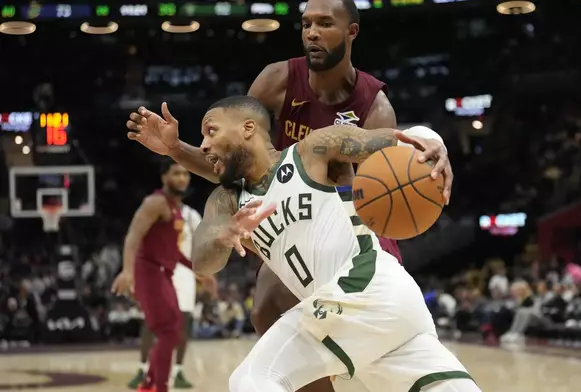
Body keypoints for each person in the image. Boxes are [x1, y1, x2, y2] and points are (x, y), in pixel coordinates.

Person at [126, 2, 453, 389]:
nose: (311, 32)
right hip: (285, 214)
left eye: (324, 23)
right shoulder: (276, 81)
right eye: (306, 24)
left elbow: (388, 155)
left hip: (354, 225)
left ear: (352, 32)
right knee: (267, 307)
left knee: (264, 370)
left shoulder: (366, 109)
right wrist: (181, 156)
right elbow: (233, 160)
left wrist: (432, 145)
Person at [148, 96, 475, 392]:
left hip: (359, 288)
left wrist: (434, 143)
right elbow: (203, 262)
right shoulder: (227, 201)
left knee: (251, 380)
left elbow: (386, 140)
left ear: (248, 128)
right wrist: (223, 235)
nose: (203, 145)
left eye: (211, 131)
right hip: (386, 314)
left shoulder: (313, 150)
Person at [112, 159, 214, 392]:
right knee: (169, 330)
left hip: (165, 273)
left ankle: (149, 383)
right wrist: (127, 272)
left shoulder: (176, 208)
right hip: (149, 271)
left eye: (185, 174)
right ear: (164, 177)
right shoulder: (155, 202)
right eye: (176, 173)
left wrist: (199, 273)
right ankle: (158, 386)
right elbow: (132, 237)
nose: (182, 178)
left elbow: (174, 251)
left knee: (174, 327)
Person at [127, 199, 203, 389]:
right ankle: (143, 370)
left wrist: (202, 270)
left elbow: (201, 243)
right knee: (151, 322)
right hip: (159, 267)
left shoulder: (192, 215)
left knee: (183, 322)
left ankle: (178, 371)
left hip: (184, 270)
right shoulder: (156, 208)